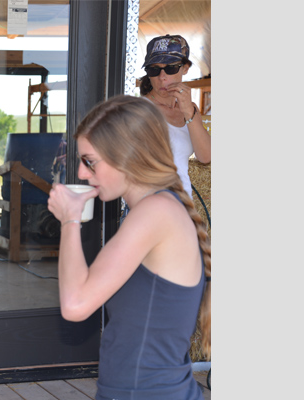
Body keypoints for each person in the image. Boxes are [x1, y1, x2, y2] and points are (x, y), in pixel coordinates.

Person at [48, 95, 211, 399]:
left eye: (90, 162)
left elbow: (75, 304)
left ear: (128, 155)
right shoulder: (154, 210)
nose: (82, 173)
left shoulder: (155, 213)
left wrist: (70, 221)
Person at [140, 34, 210, 199]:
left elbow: (205, 156)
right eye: (154, 69)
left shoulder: (190, 110)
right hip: (149, 206)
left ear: (185, 68)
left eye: (170, 68)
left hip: (183, 205)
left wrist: (188, 112)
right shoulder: (138, 109)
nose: (162, 77)